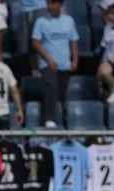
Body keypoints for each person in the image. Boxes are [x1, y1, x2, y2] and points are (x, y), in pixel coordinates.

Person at [32, 0, 79, 128]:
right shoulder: (41, 22)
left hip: (64, 64)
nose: (50, 6)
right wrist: (48, 59)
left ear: (60, 5)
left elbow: (73, 41)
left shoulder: (69, 20)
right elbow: (36, 42)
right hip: (48, 64)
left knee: (62, 94)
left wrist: (75, 60)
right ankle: (49, 119)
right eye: (48, 3)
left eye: (53, 3)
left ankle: (61, 119)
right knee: (50, 86)